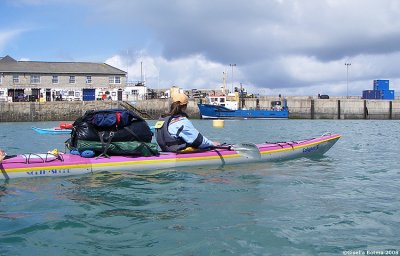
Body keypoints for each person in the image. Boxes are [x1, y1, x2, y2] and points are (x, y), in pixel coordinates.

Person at [155, 93, 219, 152]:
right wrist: (211, 143)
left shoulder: (163, 119)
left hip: (165, 151)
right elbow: (197, 140)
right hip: (178, 152)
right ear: (185, 106)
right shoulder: (181, 121)